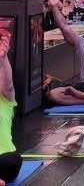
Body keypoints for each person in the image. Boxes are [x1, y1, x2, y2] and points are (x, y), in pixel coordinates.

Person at [0, 31, 22, 185]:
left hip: (3, 159)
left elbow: (8, 85)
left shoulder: (5, 99)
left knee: (12, 160)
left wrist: (3, 59)